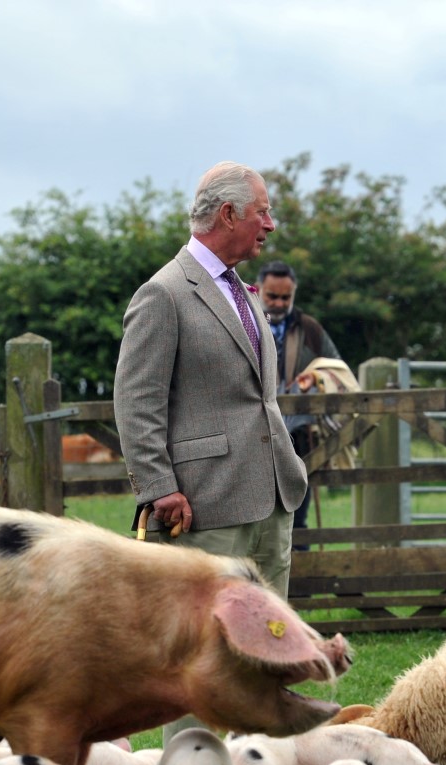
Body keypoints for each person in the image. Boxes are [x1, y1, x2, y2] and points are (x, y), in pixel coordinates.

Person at [113, 161, 308, 598]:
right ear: (228, 214)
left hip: (275, 498)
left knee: (272, 638)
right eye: (262, 212)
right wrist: (159, 488)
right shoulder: (163, 293)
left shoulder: (241, 289)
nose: (271, 225)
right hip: (206, 506)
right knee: (207, 643)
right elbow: (135, 401)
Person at [256, 260, 343, 547]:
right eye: (272, 296)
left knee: (297, 518)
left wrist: (315, 377)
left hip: (300, 440)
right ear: (259, 291)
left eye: (286, 297)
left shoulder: (310, 329)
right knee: (255, 518)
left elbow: (336, 369)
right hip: (253, 435)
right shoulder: (243, 318)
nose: (279, 303)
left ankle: (301, 591)